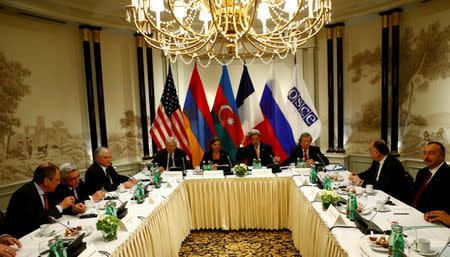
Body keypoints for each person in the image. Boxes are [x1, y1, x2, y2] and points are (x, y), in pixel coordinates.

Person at [4, 163, 75, 238]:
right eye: (57, 180)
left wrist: (73, 209)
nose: (59, 182)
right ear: (46, 181)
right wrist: (61, 206)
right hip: (23, 238)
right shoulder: (24, 194)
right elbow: (35, 222)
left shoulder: (48, 189)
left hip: (44, 232)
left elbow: (54, 210)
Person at [348, 140, 414, 203]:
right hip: (378, 194)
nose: (369, 153)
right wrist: (357, 175)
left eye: (370, 150)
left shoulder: (393, 164)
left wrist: (361, 182)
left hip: (392, 199)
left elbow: (384, 186)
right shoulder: (377, 161)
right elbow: (369, 173)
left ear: (377, 153)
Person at [412, 141, 450, 213]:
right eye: (425, 153)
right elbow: (415, 196)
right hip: (412, 212)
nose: (426, 157)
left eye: (431, 153)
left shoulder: (448, 175)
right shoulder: (422, 172)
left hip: (431, 218)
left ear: (442, 156)